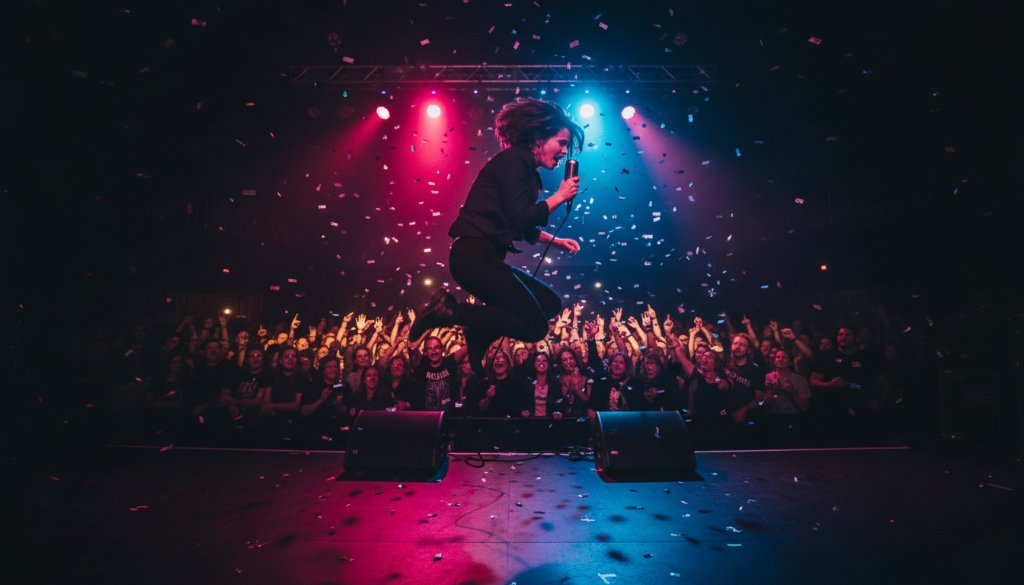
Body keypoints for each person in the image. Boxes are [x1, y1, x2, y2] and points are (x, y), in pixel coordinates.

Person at [409, 97, 585, 376]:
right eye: (561, 143)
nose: (564, 151)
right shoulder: (514, 160)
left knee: (550, 304)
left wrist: (556, 241)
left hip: (487, 258)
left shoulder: (529, 174)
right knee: (535, 327)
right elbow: (520, 217)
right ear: (539, 137)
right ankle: (450, 313)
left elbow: (523, 226)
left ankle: (479, 330)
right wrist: (560, 196)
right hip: (473, 257)